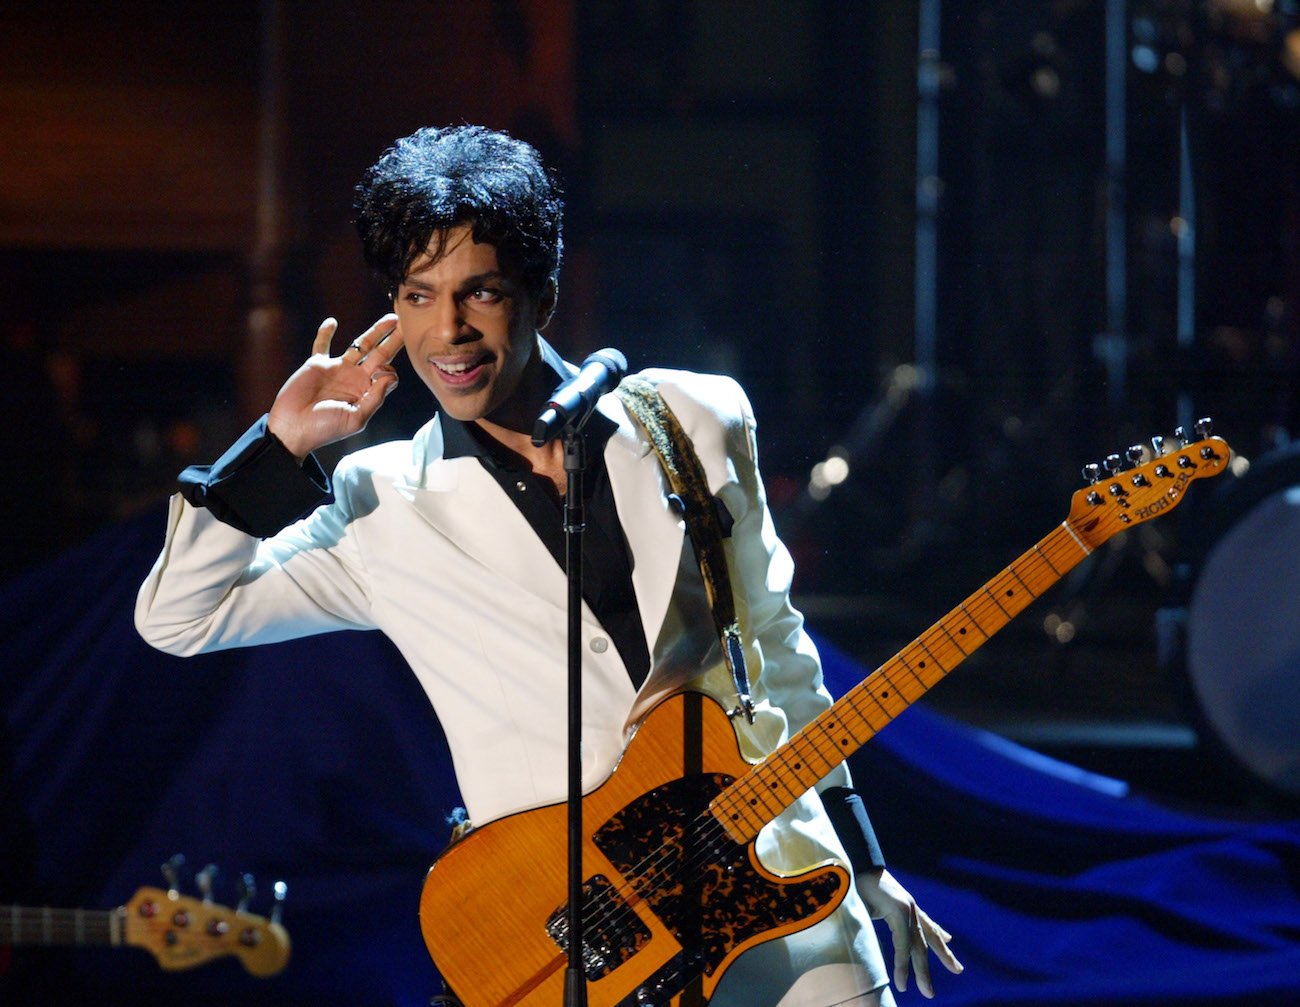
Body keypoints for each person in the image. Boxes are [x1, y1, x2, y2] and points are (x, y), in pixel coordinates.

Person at [134, 125, 961, 1006]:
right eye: (418, 296)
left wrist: (861, 856)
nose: (447, 331)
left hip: (772, 890)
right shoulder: (379, 502)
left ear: (543, 291)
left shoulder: (693, 418)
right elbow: (179, 616)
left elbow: (776, 649)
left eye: (479, 292)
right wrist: (277, 445)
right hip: (586, 938)